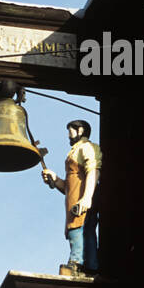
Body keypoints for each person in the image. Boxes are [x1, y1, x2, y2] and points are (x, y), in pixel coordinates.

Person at [42, 119, 100, 277]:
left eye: (70, 131)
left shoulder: (87, 148)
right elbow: (69, 185)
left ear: (80, 130)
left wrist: (87, 198)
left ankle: (76, 262)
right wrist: (55, 180)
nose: (68, 135)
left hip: (81, 199)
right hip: (74, 196)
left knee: (78, 228)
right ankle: (90, 265)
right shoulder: (75, 151)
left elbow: (93, 171)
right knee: (84, 230)